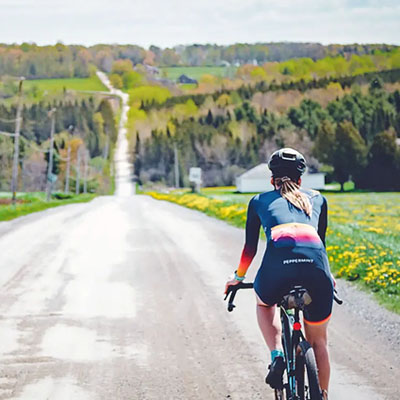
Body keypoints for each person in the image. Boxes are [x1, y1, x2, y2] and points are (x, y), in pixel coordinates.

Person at [225, 148, 334, 400]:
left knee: (264, 304)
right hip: (317, 273)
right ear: (300, 180)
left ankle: (276, 355)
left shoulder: (259, 201)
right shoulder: (318, 199)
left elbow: (250, 248)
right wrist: (329, 276)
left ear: (271, 179)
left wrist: (238, 278)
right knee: (318, 342)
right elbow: (320, 245)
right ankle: (324, 395)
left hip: (277, 271)